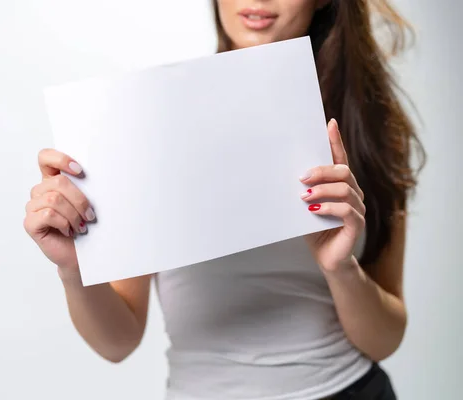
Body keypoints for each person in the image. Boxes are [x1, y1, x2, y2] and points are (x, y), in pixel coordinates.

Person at [23, 1, 425, 399]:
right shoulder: (148, 117)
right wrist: (74, 268)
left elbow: (384, 341)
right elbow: (117, 343)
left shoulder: (369, 130)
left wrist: (342, 270)